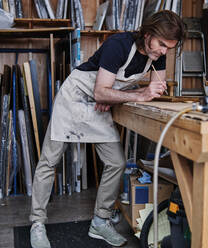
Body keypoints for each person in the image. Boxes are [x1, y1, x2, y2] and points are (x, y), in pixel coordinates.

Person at [29, 10, 187, 248]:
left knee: (116, 162)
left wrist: (115, 96)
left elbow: (153, 91)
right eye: (162, 44)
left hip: (100, 105)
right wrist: (119, 94)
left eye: (169, 48)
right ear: (147, 34)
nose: (164, 51)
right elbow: (100, 91)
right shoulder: (119, 45)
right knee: (49, 161)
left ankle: (100, 222)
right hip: (76, 97)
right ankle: (37, 223)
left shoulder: (158, 55)